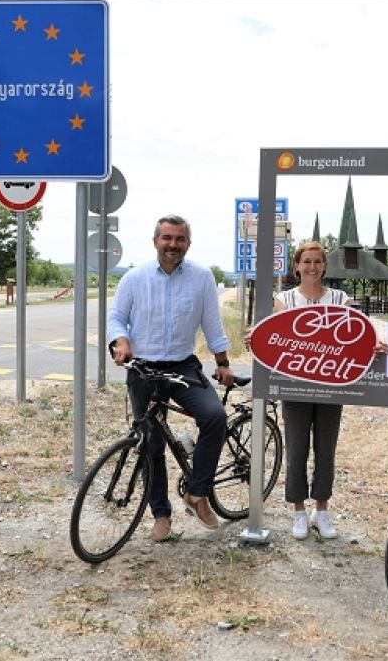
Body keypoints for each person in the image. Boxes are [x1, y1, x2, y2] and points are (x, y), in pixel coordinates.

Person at [108, 214, 236, 542]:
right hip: (144, 369)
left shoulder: (202, 278)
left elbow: (212, 325)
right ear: (155, 241)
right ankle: (160, 516)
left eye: (179, 239)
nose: (173, 245)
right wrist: (120, 341)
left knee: (214, 417)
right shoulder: (134, 279)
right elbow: (117, 318)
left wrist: (222, 363)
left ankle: (197, 493)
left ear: (188, 244)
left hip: (183, 366)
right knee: (150, 443)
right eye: (167, 238)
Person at [272, 241, 349, 540]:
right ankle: (299, 512)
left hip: (331, 386)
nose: (312, 267)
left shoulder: (340, 298)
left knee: (326, 449)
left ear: (324, 266)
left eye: (317, 261)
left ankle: (323, 510)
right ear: (296, 265)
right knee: (296, 449)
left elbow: (350, 340)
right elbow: (275, 337)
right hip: (295, 387)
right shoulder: (284, 299)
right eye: (306, 261)